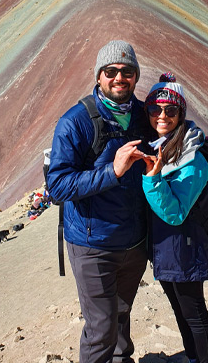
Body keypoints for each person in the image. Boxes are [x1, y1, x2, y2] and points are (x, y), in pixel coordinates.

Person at [47, 40, 151, 363]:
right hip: (93, 246)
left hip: (134, 244)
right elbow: (57, 186)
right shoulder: (75, 122)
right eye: (111, 71)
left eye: (127, 71)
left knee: (120, 317)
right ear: (99, 76)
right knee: (101, 327)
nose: (119, 77)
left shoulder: (143, 116)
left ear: (135, 76)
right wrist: (112, 171)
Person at [141, 73, 208, 363]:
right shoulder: (161, 145)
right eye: (155, 109)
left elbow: (175, 213)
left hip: (184, 245)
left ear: (181, 113)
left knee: (194, 312)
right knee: (180, 309)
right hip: (166, 248)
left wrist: (153, 178)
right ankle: (193, 357)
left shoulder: (192, 158)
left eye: (170, 111)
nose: (162, 116)